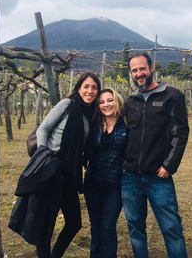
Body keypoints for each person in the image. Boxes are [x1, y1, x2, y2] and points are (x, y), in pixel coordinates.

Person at [121, 52, 190, 258]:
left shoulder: (171, 95)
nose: (139, 74)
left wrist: (169, 165)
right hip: (130, 177)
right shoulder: (130, 101)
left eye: (142, 68)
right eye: (134, 70)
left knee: (171, 228)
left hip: (158, 176)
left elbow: (180, 133)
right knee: (135, 229)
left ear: (152, 68)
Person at [33, 71, 101, 258]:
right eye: (86, 86)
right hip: (51, 171)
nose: (90, 91)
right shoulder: (67, 105)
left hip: (70, 175)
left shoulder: (92, 115)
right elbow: (44, 129)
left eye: (94, 87)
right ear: (78, 88)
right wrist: (42, 157)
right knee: (47, 224)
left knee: (74, 223)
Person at [84, 88, 128, 258]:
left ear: (116, 101)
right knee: (95, 226)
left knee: (108, 227)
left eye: (109, 100)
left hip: (115, 185)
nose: (106, 105)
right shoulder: (94, 124)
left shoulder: (127, 123)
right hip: (92, 183)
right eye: (101, 102)